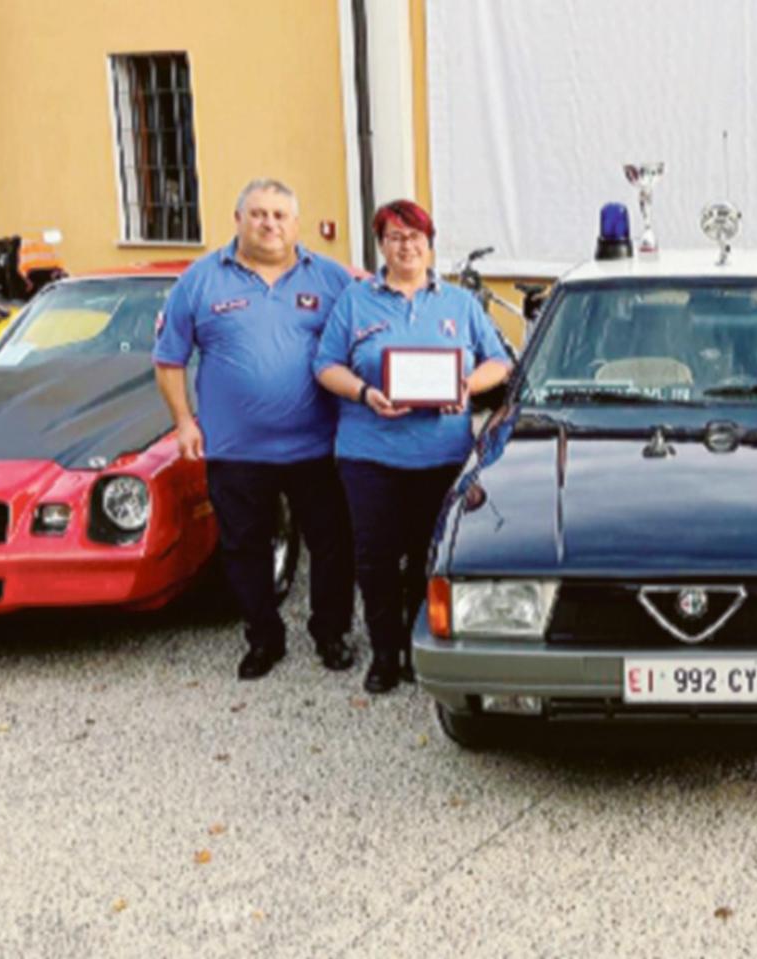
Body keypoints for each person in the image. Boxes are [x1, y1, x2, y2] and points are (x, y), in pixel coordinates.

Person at [154, 178, 360, 681]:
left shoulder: (332, 279)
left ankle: (330, 633)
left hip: (318, 447)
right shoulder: (200, 280)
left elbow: (370, 342)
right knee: (244, 548)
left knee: (333, 546)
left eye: (279, 215)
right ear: (239, 219)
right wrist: (184, 421)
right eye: (259, 214)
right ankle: (263, 638)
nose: (269, 224)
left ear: (296, 223)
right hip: (236, 451)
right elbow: (168, 358)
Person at [313, 200, 513, 693]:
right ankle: (384, 653)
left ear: (430, 244)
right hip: (369, 456)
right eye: (395, 237)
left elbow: (500, 362)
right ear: (381, 245)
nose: (406, 246)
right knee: (376, 558)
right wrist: (365, 392)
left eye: (415, 236)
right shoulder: (355, 301)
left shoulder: (460, 304)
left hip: (440, 457)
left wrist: (466, 386)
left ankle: (415, 646)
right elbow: (325, 365)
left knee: (429, 556)